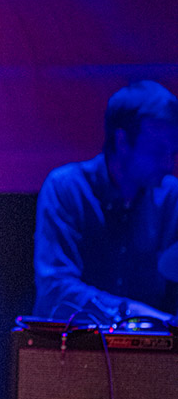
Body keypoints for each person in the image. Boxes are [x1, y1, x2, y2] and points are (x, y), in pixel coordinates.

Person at [34, 80, 178, 324]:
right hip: (74, 347)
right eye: (157, 151)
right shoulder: (66, 187)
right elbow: (55, 288)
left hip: (151, 353)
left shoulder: (171, 196)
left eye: (173, 153)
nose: (168, 164)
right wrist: (132, 313)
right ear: (122, 141)